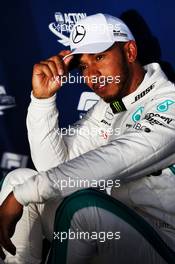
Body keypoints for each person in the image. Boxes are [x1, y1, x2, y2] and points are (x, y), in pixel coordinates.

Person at [0, 13, 175, 264]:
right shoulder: (110, 107)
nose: (91, 75)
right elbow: (52, 168)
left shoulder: (169, 103)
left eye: (100, 57)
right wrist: (43, 100)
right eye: (83, 66)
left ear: (130, 51)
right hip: (111, 229)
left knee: (82, 209)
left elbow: (119, 157)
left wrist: (23, 195)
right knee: (19, 179)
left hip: (162, 243)